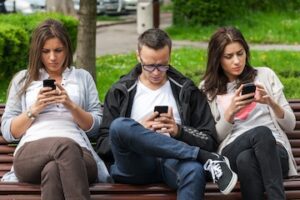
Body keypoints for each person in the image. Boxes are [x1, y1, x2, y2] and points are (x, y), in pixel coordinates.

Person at [96, 28, 237, 199]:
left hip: (173, 162)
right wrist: (138, 129)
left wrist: (179, 131)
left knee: (194, 170)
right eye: (149, 66)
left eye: (162, 65)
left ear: (169, 56)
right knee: (120, 126)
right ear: (138, 56)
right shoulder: (120, 90)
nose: (156, 72)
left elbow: (208, 139)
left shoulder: (187, 90)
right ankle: (202, 157)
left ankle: (199, 158)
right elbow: (103, 144)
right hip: (135, 164)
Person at [1, 19, 111, 200]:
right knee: (64, 146)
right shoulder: (23, 79)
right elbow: (8, 131)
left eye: (58, 50)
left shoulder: (82, 77)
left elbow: (96, 127)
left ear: (67, 49)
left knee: (53, 170)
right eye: (46, 51)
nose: (52, 57)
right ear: (38, 52)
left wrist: (71, 105)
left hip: (81, 155)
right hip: (31, 154)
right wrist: (34, 109)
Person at [200, 26, 297, 200]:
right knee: (261, 132)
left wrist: (271, 103)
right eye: (228, 56)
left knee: (247, 159)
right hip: (232, 151)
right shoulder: (208, 89)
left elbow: (290, 125)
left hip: (274, 152)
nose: (237, 61)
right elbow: (212, 139)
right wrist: (230, 112)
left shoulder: (265, 75)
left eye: (240, 53)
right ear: (217, 59)